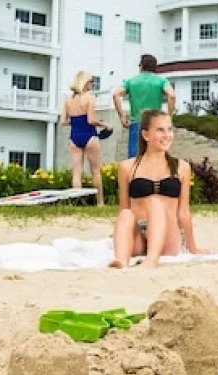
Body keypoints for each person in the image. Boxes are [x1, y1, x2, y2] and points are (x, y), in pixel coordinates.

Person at [110, 109, 202, 268]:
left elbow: (183, 211)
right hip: (139, 236)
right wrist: (120, 234)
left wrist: (193, 247)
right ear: (145, 135)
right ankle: (121, 260)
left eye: (169, 129)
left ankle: (151, 260)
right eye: (160, 130)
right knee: (125, 214)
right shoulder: (127, 167)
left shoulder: (181, 167)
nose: (167, 135)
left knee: (155, 202)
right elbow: (124, 208)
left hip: (168, 237)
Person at [113, 54, 176, 159]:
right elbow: (172, 95)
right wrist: (169, 116)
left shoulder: (131, 81)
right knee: (156, 156)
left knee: (135, 158)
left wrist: (122, 117)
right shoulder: (161, 81)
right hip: (155, 123)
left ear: (141, 66)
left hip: (137, 123)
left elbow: (115, 94)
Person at [57, 70, 104, 205]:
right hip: (89, 135)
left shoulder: (68, 100)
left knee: (77, 172)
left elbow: (63, 122)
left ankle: (77, 202)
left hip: (75, 136)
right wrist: (104, 124)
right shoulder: (90, 98)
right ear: (85, 82)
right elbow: (91, 120)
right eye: (90, 81)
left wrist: (75, 122)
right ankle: (100, 203)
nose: (92, 84)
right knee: (95, 171)